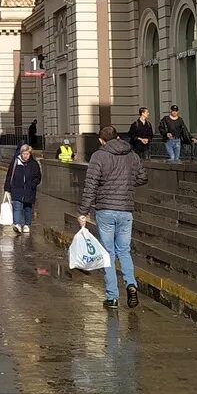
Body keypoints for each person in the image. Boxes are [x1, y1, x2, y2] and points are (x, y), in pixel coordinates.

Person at [78, 125, 149, 310]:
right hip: (126, 209)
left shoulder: (99, 156)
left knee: (107, 253)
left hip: (106, 210)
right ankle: (131, 284)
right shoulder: (132, 155)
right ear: (117, 137)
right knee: (124, 251)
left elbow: (91, 185)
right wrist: (125, 182)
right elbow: (143, 177)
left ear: (102, 140)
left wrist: (83, 212)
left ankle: (112, 297)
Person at [4, 144, 43, 234]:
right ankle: (17, 224)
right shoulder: (15, 163)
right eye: (24, 154)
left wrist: (33, 184)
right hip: (17, 188)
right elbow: (9, 175)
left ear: (30, 154)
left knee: (27, 208)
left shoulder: (34, 164)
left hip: (29, 190)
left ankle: (27, 224)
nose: (25, 156)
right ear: (21, 153)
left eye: (27, 154)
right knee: (17, 206)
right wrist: (7, 188)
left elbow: (38, 177)